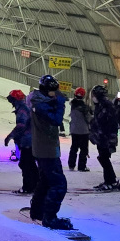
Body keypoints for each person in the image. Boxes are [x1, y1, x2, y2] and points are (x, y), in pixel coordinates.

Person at [30, 76, 71, 229]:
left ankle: (37, 211)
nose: (56, 93)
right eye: (53, 91)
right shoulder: (40, 105)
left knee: (45, 181)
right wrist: (60, 103)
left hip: (44, 148)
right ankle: (50, 217)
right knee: (59, 184)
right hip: (46, 150)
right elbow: (56, 120)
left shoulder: (40, 101)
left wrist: (55, 101)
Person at [90, 85, 120, 190]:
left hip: (106, 137)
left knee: (104, 158)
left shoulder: (106, 106)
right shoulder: (100, 105)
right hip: (101, 137)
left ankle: (111, 181)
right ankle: (109, 180)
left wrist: (108, 137)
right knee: (103, 158)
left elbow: (109, 123)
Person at [67, 87, 91, 171]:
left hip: (74, 130)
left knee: (74, 148)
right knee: (83, 149)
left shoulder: (73, 105)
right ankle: (82, 166)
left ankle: (71, 165)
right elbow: (88, 118)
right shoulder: (84, 107)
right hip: (83, 131)